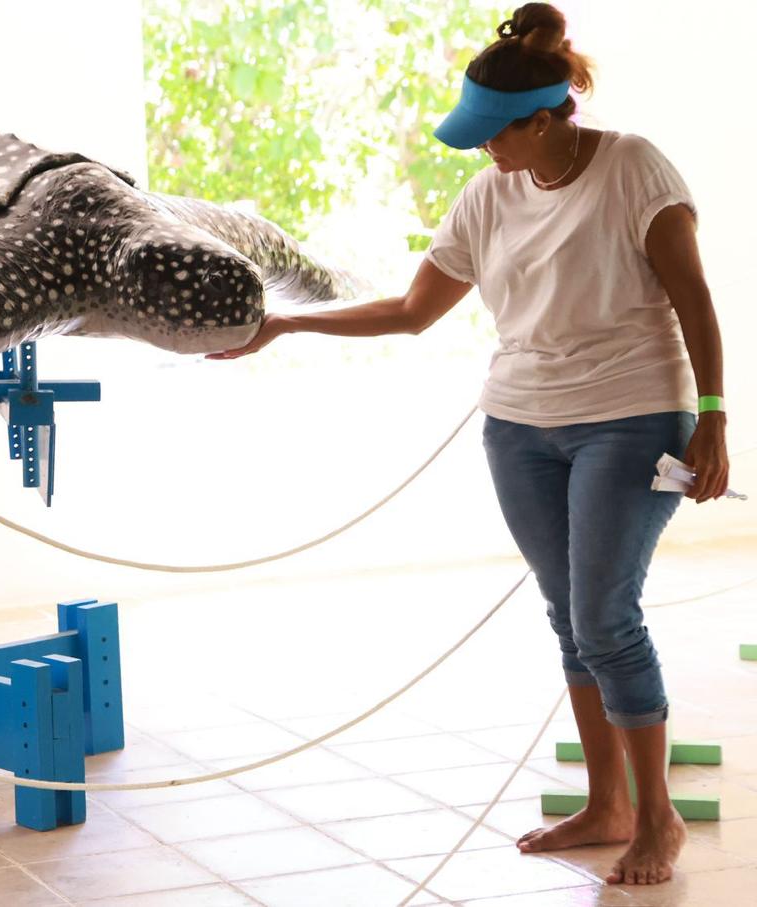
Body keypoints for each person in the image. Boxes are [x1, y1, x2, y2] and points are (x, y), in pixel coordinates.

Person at [208, 1, 728, 887]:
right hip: (519, 427)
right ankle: (606, 805)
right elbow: (413, 311)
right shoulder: (488, 194)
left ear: (544, 119)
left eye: (496, 132)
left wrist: (712, 416)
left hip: (631, 416)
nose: (484, 147)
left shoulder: (633, 168)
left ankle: (658, 818)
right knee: (570, 616)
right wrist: (287, 324)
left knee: (606, 616)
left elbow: (694, 297)